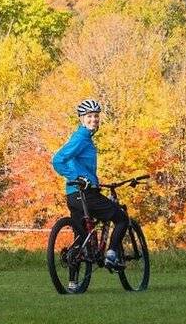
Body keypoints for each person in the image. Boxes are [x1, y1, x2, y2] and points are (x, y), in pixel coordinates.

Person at [51, 99, 129, 282]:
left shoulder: (83, 138)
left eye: (96, 116)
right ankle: (111, 254)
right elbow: (58, 160)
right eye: (89, 116)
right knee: (121, 218)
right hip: (85, 194)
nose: (94, 119)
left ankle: (73, 283)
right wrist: (77, 177)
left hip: (73, 194)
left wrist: (85, 179)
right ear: (81, 119)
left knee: (81, 237)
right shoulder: (81, 138)